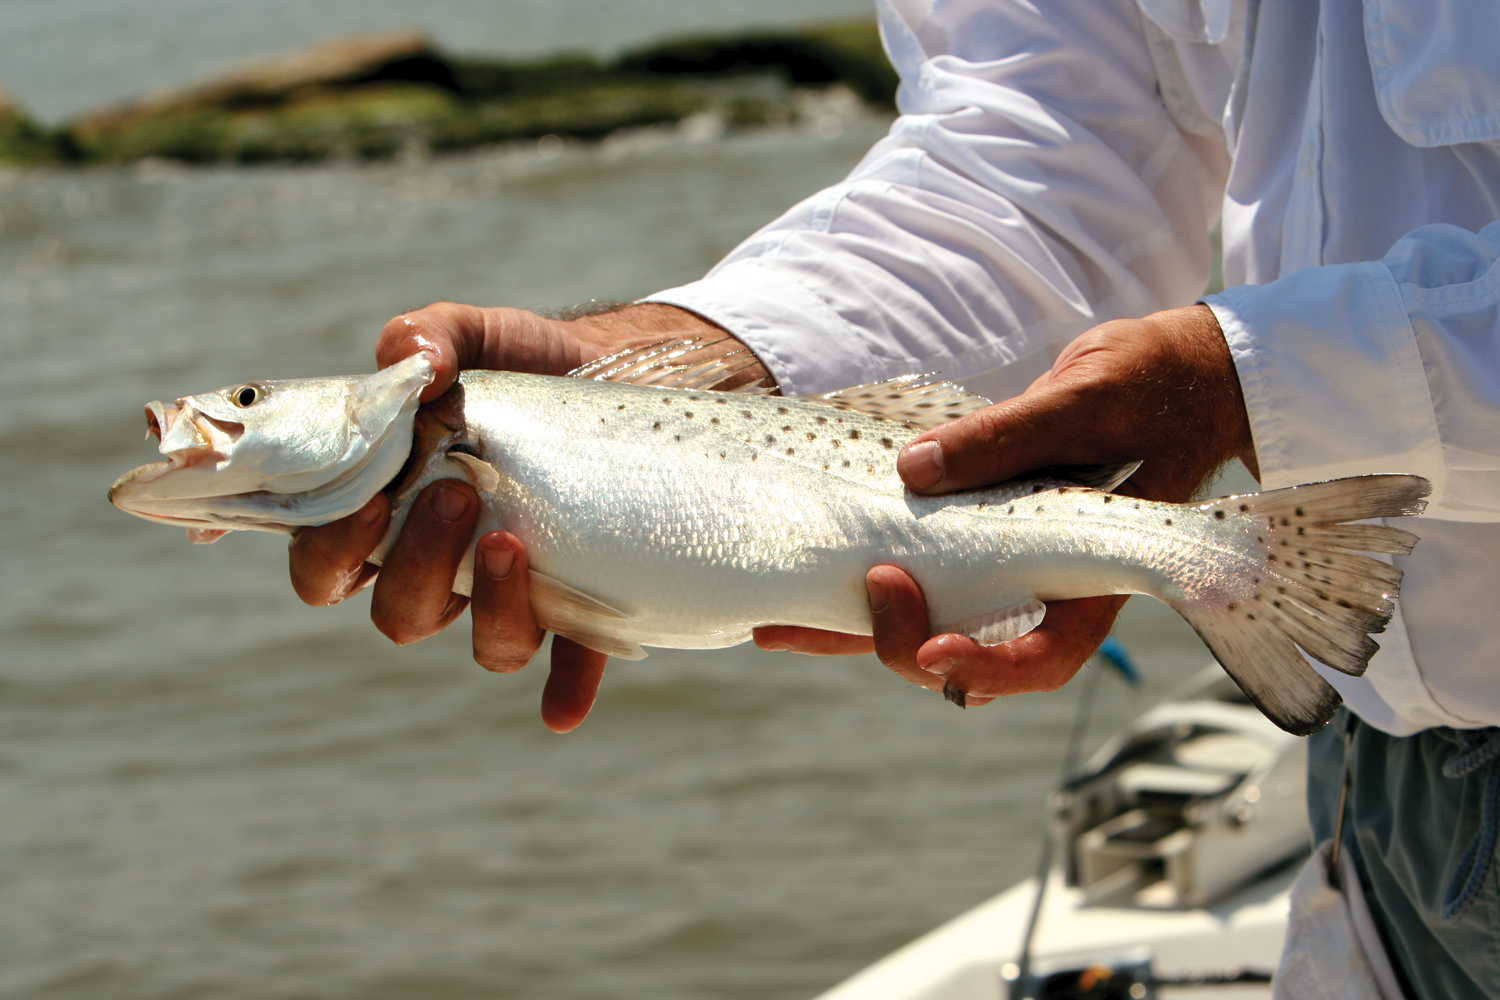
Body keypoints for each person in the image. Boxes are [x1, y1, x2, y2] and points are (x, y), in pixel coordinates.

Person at [289, 1, 1500, 995]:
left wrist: (1245, 385)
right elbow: (1040, 149)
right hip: (1372, 803)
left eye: (245, 400)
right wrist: (709, 357)